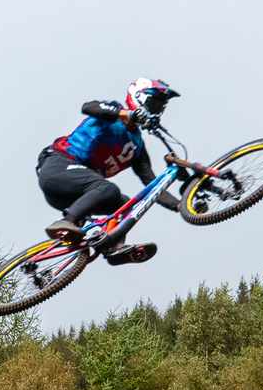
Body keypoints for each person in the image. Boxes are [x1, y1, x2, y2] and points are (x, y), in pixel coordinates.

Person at [37, 78, 179, 259]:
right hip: (58, 167)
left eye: (160, 107)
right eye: (153, 103)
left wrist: (179, 206)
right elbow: (89, 107)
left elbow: (153, 185)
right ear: (138, 98)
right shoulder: (112, 113)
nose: (155, 110)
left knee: (125, 205)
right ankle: (66, 221)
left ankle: (113, 248)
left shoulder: (137, 146)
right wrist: (124, 114)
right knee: (107, 188)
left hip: (77, 194)